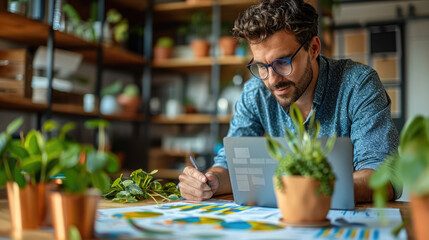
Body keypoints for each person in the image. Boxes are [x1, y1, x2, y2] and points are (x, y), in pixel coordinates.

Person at [178, 0, 401, 203]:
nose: (273, 80)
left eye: (283, 62)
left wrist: (309, 190)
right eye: (261, 66)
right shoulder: (255, 92)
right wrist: (210, 181)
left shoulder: (358, 84)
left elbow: (383, 176)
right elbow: (230, 164)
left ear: (313, 48)